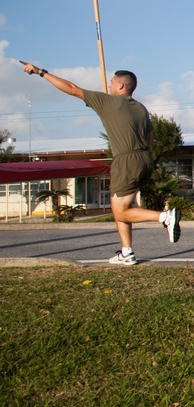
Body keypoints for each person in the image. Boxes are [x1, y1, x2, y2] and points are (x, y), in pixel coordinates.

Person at [20, 61, 180, 265]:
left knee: (121, 211)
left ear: (121, 86)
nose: (109, 86)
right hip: (145, 158)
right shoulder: (141, 108)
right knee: (121, 207)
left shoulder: (107, 101)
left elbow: (71, 89)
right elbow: (149, 137)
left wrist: (40, 72)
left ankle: (165, 217)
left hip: (126, 159)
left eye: (112, 83)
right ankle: (127, 252)